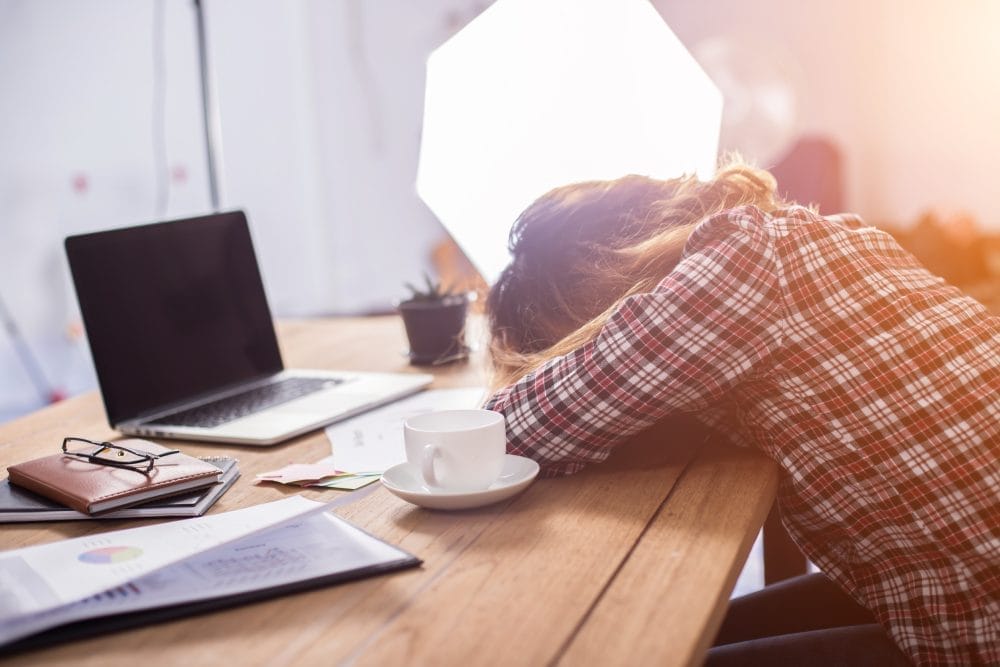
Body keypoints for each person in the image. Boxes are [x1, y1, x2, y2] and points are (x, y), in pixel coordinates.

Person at [481, 159, 999, 666]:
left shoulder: (739, 264)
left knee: (649, 653)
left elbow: (508, 433)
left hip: (981, 624)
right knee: (695, 637)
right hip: (960, 577)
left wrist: (545, 375)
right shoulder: (833, 233)